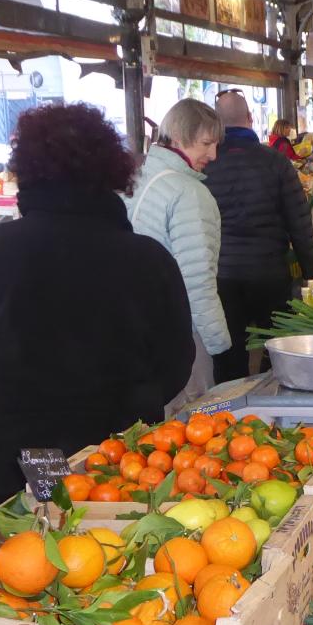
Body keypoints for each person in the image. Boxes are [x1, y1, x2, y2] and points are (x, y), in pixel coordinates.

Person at [0, 103, 195, 503]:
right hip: (119, 462)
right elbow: (176, 364)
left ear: (26, 172)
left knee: (19, 561)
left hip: (17, 458)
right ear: (109, 172)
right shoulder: (146, 259)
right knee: (118, 560)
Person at [204, 92, 313, 383]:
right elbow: (299, 220)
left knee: (230, 358)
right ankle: (278, 416)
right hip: (269, 273)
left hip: (222, 275)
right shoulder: (276, 162)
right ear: (251, 119)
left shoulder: (206, 166)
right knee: (278, 352)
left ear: (217, 124)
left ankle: (228, 419)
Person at [127, 98, 231, 404]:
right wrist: (218, 344)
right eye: (205, 144)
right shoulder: (189, 194)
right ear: (179, 137)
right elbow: (197, 279)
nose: (213, 155)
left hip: (140, 327)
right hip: (181, 331)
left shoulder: (138, 181)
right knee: (191, 417)